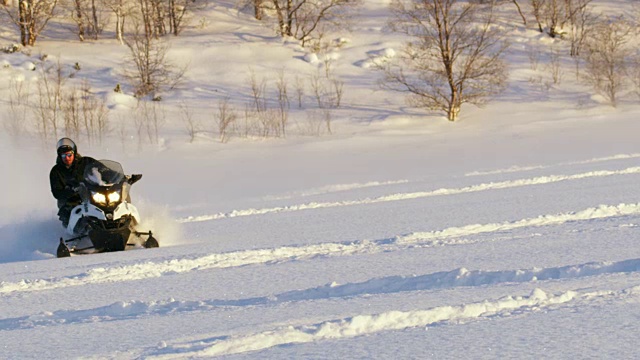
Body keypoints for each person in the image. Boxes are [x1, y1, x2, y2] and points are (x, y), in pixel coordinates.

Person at [49, 138, 97, 228]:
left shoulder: (86, 162)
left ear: (74, 153)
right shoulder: (56, 171)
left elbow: (103, 170)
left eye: (69, 155)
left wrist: (122, 177)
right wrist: (71, 190)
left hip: (92, 195)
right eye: (63, 156)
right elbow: (57, 192)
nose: (67, 158)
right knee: (70, 212)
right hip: (71, 201)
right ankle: (77, 231)